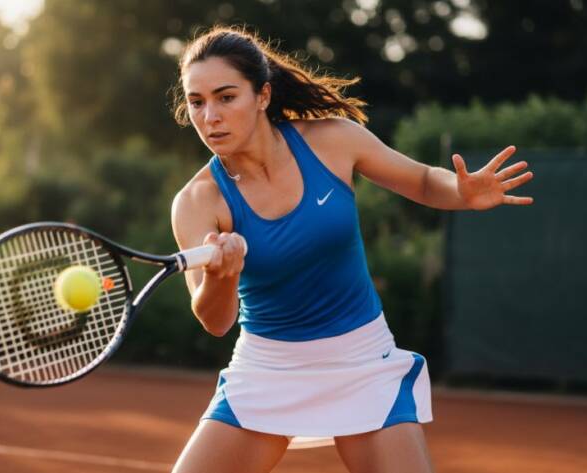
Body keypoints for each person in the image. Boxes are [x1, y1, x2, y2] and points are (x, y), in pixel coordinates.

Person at [168, 26, 533, 473]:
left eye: (226, 97)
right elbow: (215, 320)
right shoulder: (196, 202)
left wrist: (461, 192)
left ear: (262, 96)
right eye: (197, 102)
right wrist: (223, 276)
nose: (210, 117)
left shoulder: (332, 140)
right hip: (267, 370)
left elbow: (420, 179)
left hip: (363, 361)